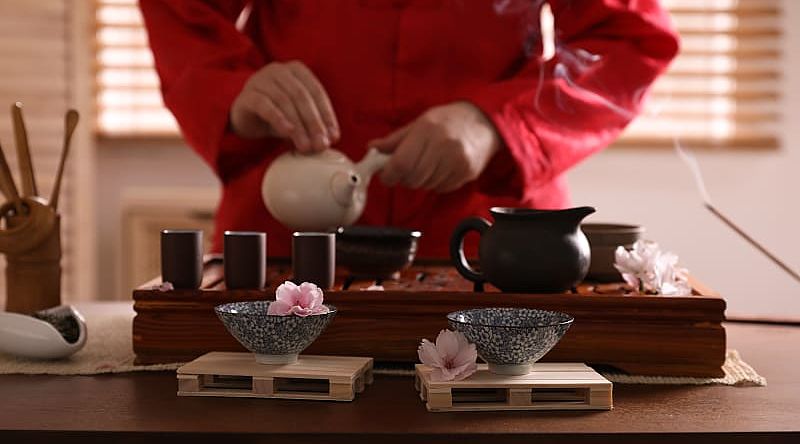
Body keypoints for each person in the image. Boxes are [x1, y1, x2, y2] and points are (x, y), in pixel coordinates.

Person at [140, 0, 678, 257]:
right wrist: (234, 90)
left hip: (489, 234)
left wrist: (495, 122)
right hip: (289, 228)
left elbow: (628, 40)